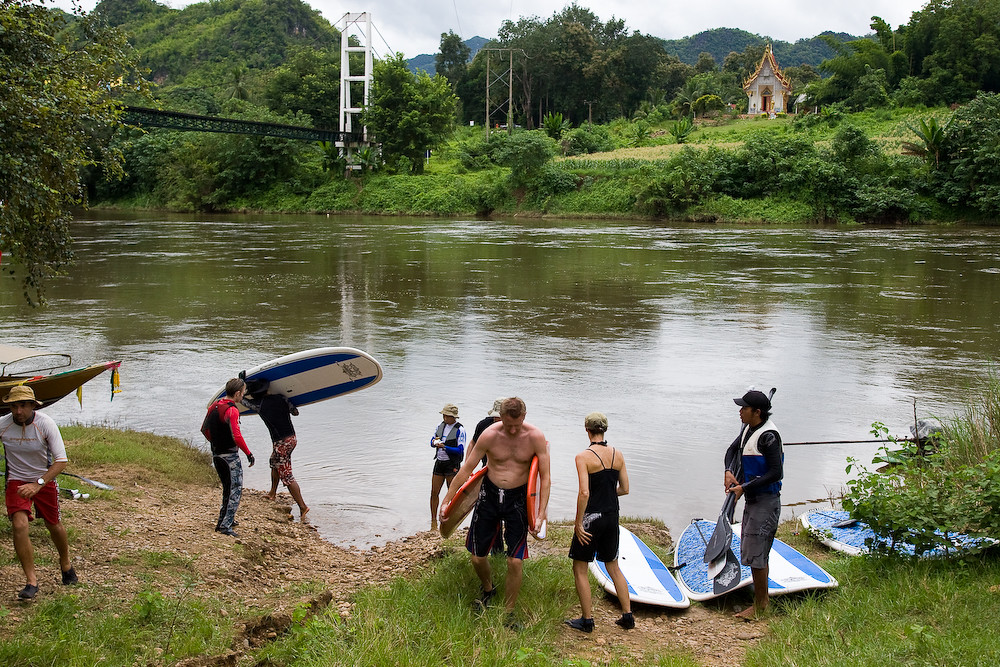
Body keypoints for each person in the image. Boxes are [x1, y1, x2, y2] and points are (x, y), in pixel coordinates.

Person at [439, 397, 550, 626]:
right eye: (507, 424)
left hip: (518, 500)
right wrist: (447, 501)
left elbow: (545, 477)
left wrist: (540, 514)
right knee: (477, 557)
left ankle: (508, 613)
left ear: (524, 416)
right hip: (488, 496)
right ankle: (489, 589)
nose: (512, 430)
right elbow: (466, 469)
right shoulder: (489, 435)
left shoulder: (535, 437)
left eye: (516, 425)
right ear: (500, 417)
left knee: (515, 562)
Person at [0, 385, 79, 600]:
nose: (18, 411)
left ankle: (65, 563)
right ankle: (31, 581)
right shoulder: (3, 425)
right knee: (19, 525)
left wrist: (38, 484)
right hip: (16, 481)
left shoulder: (45, 424)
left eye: (23, 406)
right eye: (14, 406)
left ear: (33, 405)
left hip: (44, 479)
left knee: (53, 525)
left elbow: (61, 461)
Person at [565, 412, 633, 632]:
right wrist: (608, 494)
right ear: (605, 429)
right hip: (612, 515)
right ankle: (627, 616)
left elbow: (584, 492)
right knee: (613, 566)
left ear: (587, 430)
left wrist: (578, 523)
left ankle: (587, 620)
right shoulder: (617, 454)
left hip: (591, 518)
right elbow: (625, 489)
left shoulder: (583, 457)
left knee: (580, 568)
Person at [724, 389, 783, 620]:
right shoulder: (749, 429)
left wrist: (744, 488)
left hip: (766, 501)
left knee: (757, 553)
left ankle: (761, 605)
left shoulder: (769, 437)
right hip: (753, 499)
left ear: (757, 412)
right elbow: (731, 451)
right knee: (752, 551)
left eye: (744, 408)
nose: (740, 411)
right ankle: (761, 601)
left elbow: (776, 473)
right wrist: (729, 471)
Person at [242, 379, 309, 522]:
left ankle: (303, 506)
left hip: (281, 442)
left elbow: (242, 400)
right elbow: (295, 412)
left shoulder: (258, 405)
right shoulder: (281, 398)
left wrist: (240, 384)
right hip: (291, 438)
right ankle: (272, 493)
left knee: (287, 475)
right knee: (274, 461)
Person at [201, 378, 255, 537]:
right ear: (237, 393)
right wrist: (248, 453)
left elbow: (204, 429)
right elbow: (236, 436)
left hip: (217, 455)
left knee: (227, 488)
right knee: (235, 490)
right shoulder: (232, 410)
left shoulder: (214, 406)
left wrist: (216, 443)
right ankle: (224, 525)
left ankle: (226, 519)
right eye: (243, 393)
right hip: (230, 456)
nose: (243, 396)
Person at [429, 403, 466, 530]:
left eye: (447, 416)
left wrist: (445, 447)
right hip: (439, 462)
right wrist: (434, 443)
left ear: (453, 417)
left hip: (452, 464)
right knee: (434, 492)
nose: (445, 418)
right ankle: (433, 521)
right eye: (444, 415)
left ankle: (452, 521)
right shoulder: (440, 426)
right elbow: (432, 441)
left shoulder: (460, 430)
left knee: (453, 494)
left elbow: (460, 450)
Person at [469, 397, 504, 468]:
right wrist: (468, 464)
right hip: (486, 467)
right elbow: (472, 443)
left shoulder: (515, 429)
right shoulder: (483, 425)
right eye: (496, 416)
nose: (497, 419)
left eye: (501, 417)